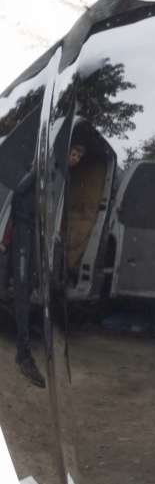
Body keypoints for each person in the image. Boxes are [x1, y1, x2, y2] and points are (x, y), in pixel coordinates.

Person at [10, 141, 86, 388]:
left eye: (78, 156)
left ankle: (27, 340)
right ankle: (23, 355)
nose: (74, 159)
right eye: (73, 153)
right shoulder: (40, 171)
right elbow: (17, 196)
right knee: (22, 292)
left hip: (37, 236)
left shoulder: (59, 178)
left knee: (34, 288)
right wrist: (35, 171)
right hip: (24, 233)